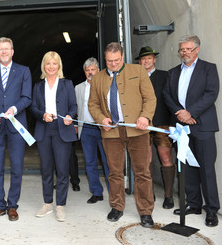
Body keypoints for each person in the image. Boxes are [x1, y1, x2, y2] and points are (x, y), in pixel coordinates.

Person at [88, 42, 156, 228]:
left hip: (138, 130)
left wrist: (145, 116)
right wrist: (101, 119)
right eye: (109, 61)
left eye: (116, 60)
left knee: (142, 172)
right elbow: (92, 104)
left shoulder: (139, 71)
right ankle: (117, 207)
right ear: (105, 59)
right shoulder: (98, 78)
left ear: (123, 57)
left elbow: (150, 98)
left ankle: (145, 211)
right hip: (111, 133)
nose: (113, 64)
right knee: (115, 172)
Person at [163, 35, 220, 227]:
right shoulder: (172, 72)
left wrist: (191, 113)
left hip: (202, 125)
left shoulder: (208, 68)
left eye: (188, 49)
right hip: (182, 127)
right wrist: (181, 113)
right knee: (187, 167)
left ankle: (211, 210)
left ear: (197, 49)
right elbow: (167, 95)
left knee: (206, 168)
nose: (184, 52)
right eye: (182, 50)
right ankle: (194, 204)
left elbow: (211, 93)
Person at [0, 37, 32, 221]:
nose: (4, 51)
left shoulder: (24, 71)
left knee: (17, 166)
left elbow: (27, 97)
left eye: (7, 48)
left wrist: (14, 109)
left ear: (12, 51)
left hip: (16, 125)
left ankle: (12, 205)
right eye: (0, 49)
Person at [31, 51, 77, 222]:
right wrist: (42, 115)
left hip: (62, 131)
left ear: (59, 66)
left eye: (54, 64)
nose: (51, 67)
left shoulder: (67, 84)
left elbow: (73, 105)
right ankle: (47, 203)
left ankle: (60, 206)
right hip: (44, 130)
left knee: (63, 170)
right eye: (48, 63)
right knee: (46, 169)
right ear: (44, 66)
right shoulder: (38, 86)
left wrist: (70, 116)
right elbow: (34, 108)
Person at [136, 46, 175, 209]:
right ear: (139, 61)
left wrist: (173, 123)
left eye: (149, 58)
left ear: (154, 59)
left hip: (162, 122)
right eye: (143, 58)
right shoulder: (135, 77)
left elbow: (171, 98)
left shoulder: (165, 76)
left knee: (165, 155)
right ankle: (148, 192)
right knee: (147, 158)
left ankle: (168, 195)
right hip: (142, 123)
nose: (146, 61)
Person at [75, 57, 109, 204]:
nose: (90, 73)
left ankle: (114, 192)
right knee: (90, 162)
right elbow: (76, 108)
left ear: (99, 70)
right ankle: (96, 192)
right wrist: (75, 124)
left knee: (108, 162)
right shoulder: (78, 88)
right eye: (87, 70)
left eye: (93, 70)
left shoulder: (106, 84)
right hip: (86, 128)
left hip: (103, 129)